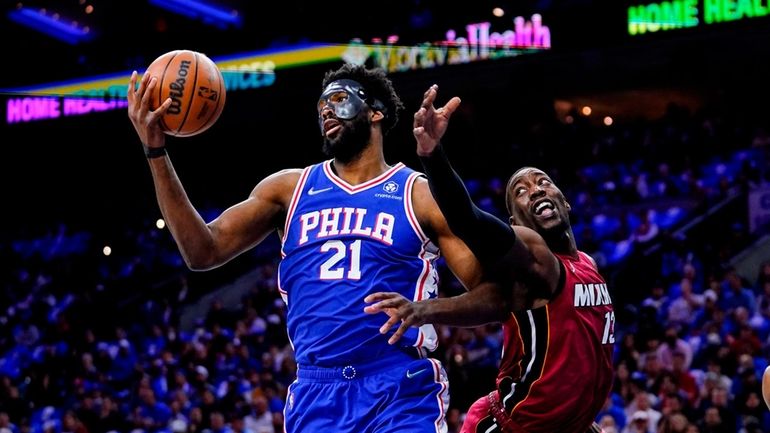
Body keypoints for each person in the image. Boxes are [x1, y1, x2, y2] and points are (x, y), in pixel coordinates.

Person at [126, 64, 486, 432]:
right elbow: (202, 251)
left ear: (376, 112)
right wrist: (156, 153)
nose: (327, 110)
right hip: (316, 392)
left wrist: (429, 309)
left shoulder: (418, 194)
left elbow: (491, 293)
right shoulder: (288, 189)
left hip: (397, 385)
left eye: (339, 99)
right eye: (321, 106)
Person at [364, 84, 615, 433]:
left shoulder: (586, 264)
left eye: (542, 182)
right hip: (509, 426)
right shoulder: (536, 257)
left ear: (565, 200)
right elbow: (468, 218)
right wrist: (433, 155)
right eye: (521, 192)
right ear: (515, 224)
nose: (536, 190)